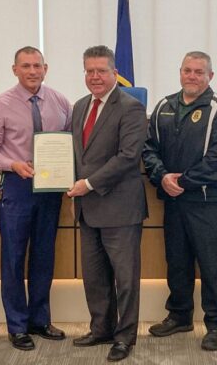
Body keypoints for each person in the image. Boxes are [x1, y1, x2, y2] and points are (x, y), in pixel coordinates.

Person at [0, 46, 72, 350]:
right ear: (14, 69)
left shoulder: (59, 101)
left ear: (46, 68)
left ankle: (40, 320)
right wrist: (11, 164)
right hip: (16, 186)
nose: (32, 71)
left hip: (51, 188)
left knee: (44, 255)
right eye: (26, 66)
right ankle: (17, 325)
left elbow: (69, 142)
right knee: (14, 258)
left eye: (37, 66)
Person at [143, 51, 217, 352]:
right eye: (187, 70)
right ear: (180, 72)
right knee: (177, 262)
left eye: (199, 71)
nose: (192, 76)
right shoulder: (164, 106)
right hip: (174, 202)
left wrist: (181, 181)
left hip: (208, 202)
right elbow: (149, 149)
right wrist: (162, 177)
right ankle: (180, 315)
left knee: (213, 266)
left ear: (210, 75)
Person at [66, 45, 147, 362]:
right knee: (94, 275)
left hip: (120, 208)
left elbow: (128, 157)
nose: (95, 77)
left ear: (115, 73)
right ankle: (101, 328)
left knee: (125, 279)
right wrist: (66, 180)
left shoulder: (131, 107)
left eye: (101, 70)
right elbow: (76, 154)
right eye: (89, 71)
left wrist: (87, 184)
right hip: (87, 209)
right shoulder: (79, 106)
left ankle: (124, 336)